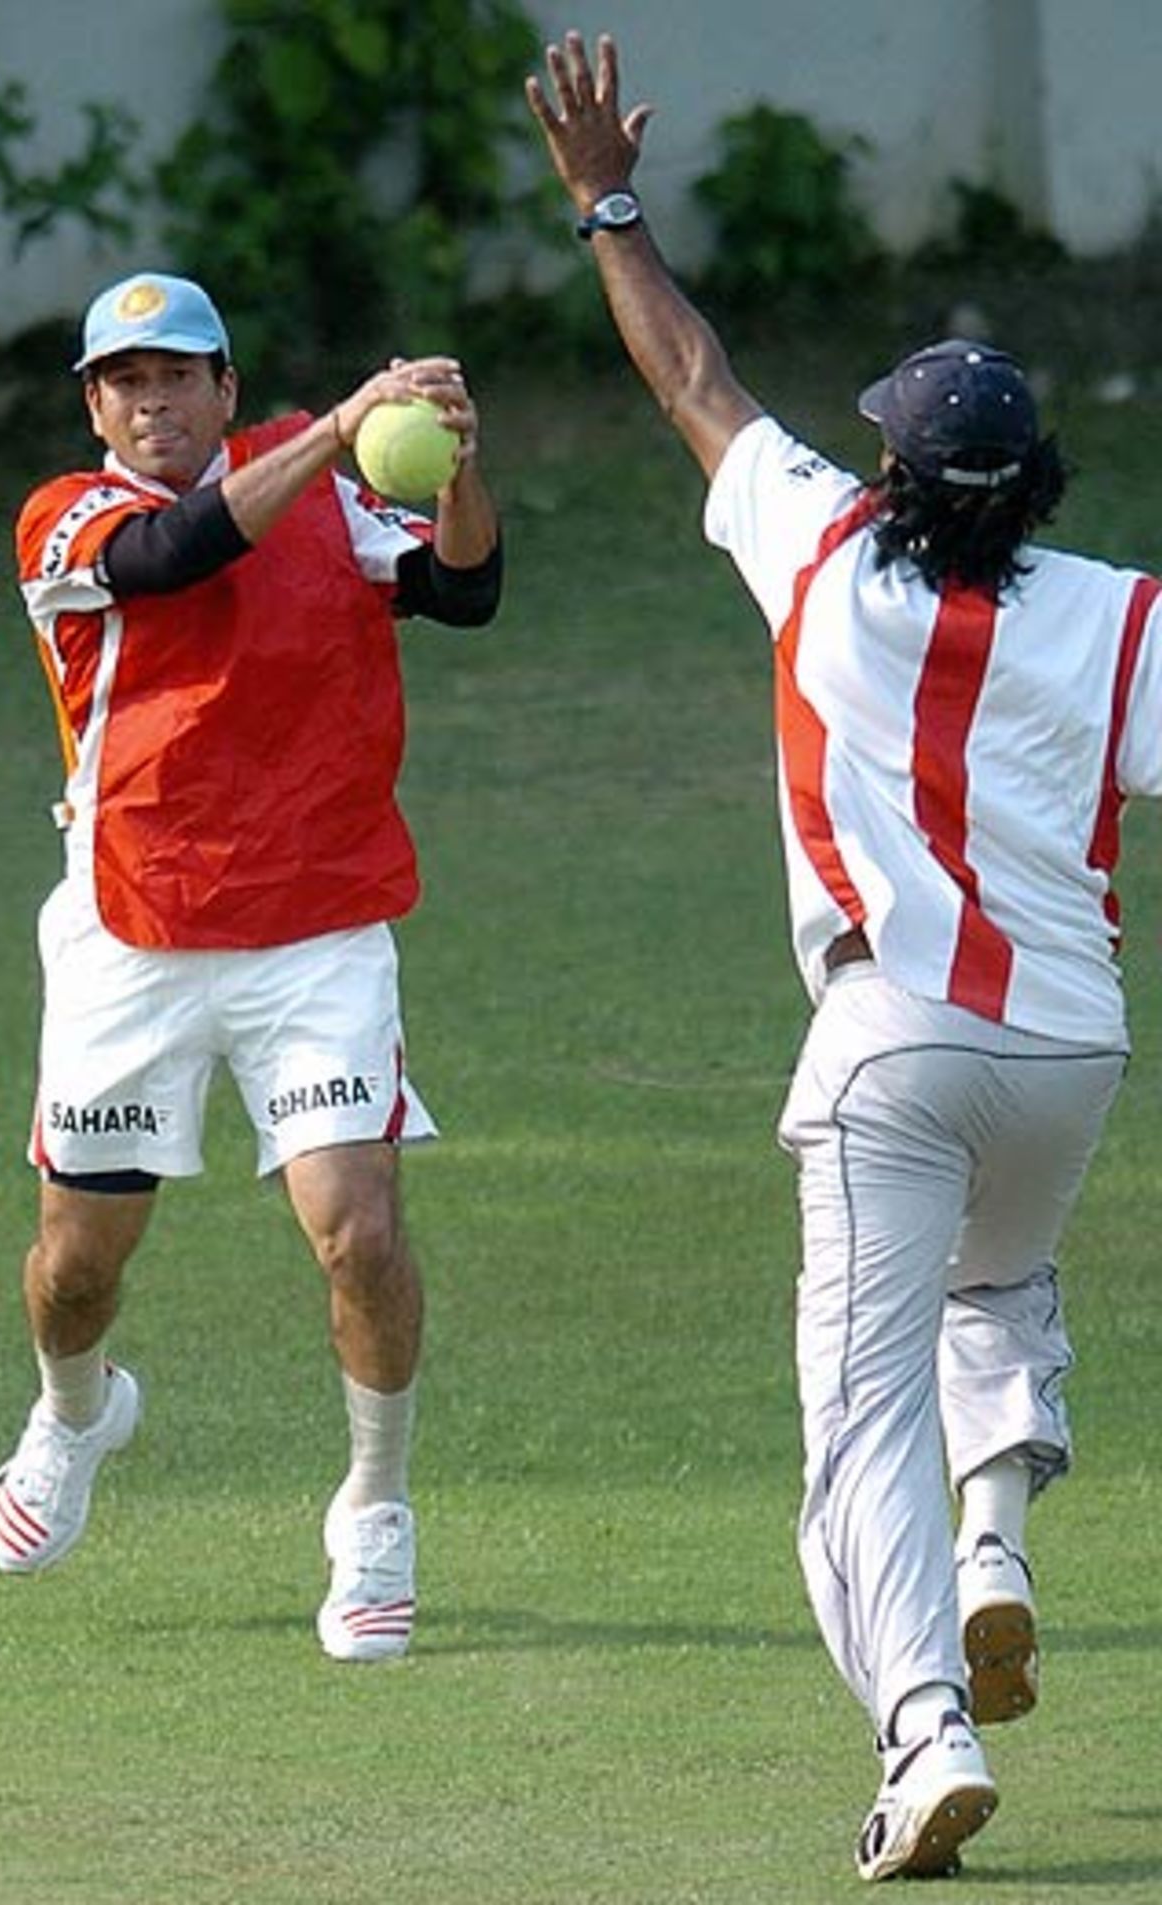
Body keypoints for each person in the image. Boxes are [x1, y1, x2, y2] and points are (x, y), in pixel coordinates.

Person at [528, 31, 1162, 1882]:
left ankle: (921, 1731)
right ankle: (991, 1550)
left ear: (893, 471)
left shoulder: (824, 557)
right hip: (1069, 1054)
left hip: (891, 1048)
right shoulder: (1120, 617)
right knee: (1001, 1296)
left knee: (852, 1415)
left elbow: (697, 377)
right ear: (1035, 482)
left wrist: (606, 203)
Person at [0, 269, 501, 1664]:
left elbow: (465, 591)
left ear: (224, 388)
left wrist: (454, 461)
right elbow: (177, 562)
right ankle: (76, 1410)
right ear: (96, 405)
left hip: (318, 926)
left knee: (362, 1232)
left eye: (180, 377)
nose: (154, 403)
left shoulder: (327, 494)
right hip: (130, 933)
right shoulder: (71, 518)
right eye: (126, 383)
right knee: (75, 1268)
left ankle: (376, 1513)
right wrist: (338, 429)